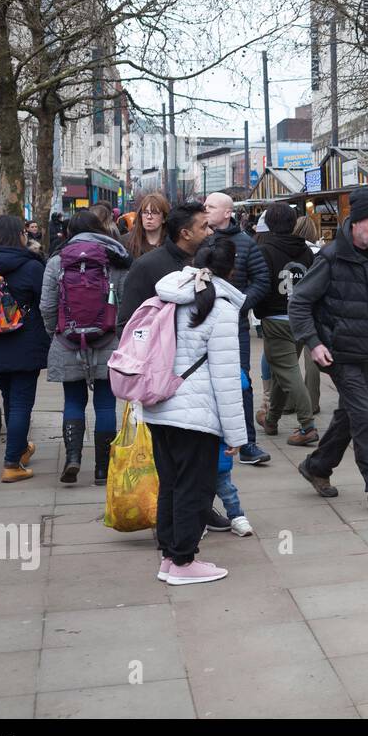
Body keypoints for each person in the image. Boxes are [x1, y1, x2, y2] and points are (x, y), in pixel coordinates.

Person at [289, 188, 368, 514]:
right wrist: (314, 342)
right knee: (365, 417)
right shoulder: (331, 257)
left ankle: (317, 466)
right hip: (338, 353)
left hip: (367, 349)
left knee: (349, 415)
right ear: (354, 224)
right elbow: (299, 303)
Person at [146, 237, 248, 585]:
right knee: (195, 488)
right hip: (196, 413)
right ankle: (184, 562)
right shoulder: (220, 308)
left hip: (158, 406)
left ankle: (169, 557)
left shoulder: (167, 294)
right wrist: (236, 435)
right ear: (231, 269)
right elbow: (225, 378)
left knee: (171, 484)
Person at [40, 210, 132, 484]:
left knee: (73, 401)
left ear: (68, 232)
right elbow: (127, 304)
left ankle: (72, 459)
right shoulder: (116, 260)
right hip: (108, 339)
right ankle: (103, 470)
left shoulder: (58, 260)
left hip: (67, 340)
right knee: (105, 404)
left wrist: (56, 334)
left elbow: (47, 305)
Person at [0, 215, 50, 481]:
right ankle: (11, 464)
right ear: (19, 235)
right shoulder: (30, 266)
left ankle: (20, 448)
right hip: (24, 344)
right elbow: (46, 302)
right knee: (21, 405)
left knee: (9, 399)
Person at [204, 192, 271, 465]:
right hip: (201, 324)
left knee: (241, 383)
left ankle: (247, 444)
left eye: (211, 206)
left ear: (227, 212)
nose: (205, 210)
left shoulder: (245, 244)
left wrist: (241, 305)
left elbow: (262, 278)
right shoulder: (199, 240)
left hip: (235, 326)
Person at [255, 201, 319, 447]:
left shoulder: (265, 251)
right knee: (284, 369)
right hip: (302, 318)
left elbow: (262, 284)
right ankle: (271, 420)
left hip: (275, 318)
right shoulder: (306, 251)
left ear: (269, 224)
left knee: (288, 371)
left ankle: (307, 425)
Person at [116, 201, 211, 336]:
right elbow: (128, 325)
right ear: (186, 234)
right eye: (204, 227)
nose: (210, 232)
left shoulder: (208, 260)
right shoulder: (145, 266)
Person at [212, 368, 254, 537]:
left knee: (226, 489)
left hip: (219, 447)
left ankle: (237, 516)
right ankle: (197, 521)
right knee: (195, 491)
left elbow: (242, 381)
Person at [292, 215, 323, 414]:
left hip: (291, 309)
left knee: (288, 362)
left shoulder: (290, 250)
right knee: (313, 359)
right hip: (314, 311)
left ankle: (287, 402)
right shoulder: (319, 252)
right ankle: (312, 403)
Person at [124, 193, 171, 260]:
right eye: (145, 212)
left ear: (164, 218)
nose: (149, 217)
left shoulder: (172, 245)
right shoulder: (127, 242)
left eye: (154, 213)